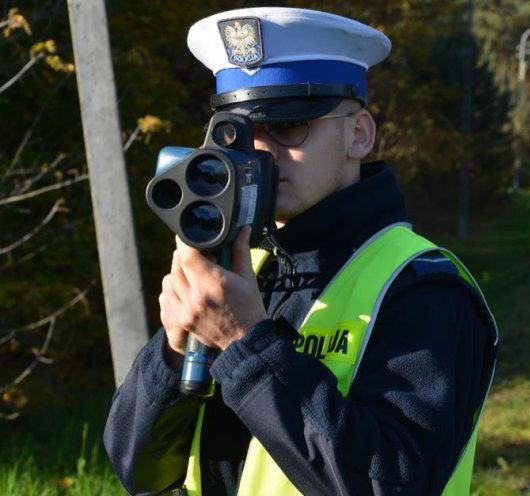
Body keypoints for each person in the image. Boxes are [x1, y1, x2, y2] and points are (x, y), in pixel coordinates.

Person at [103, 8, 498, 496]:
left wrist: (246, 345)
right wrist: (173, 348)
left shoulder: (423, 288)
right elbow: (136, 470)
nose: (261, 154)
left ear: (359, 133)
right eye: (242, 135)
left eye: (289, 128)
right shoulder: (245, 267)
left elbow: (390, 484)